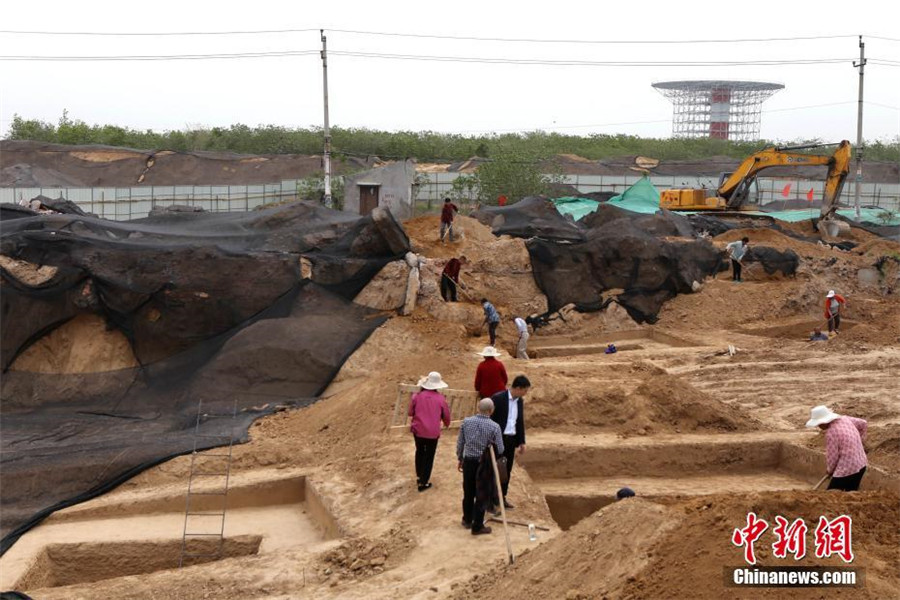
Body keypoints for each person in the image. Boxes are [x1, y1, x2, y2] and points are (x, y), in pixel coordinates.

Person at [457, 398, 505, 535]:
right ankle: (477, 526)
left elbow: (460, 443)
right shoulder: (494, 427)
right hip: (485, 464)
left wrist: (460, 458)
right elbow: (500, 449)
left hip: (469, 462)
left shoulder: (466, 422)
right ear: (491, 410)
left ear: (478, 408)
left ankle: (467, 520)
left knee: (468, 491)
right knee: (482, 494)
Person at [489, 375, 531, 511]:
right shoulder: (498, 398)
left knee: (506, 470)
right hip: (497, 440)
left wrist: (521, 441)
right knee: (494, 469)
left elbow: (520, 422)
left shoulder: (519, 401)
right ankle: (490, 500)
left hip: (511, 440)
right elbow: (490, 420)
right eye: (525, 390)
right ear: (518, 388)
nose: (525, 393)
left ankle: (502, 497)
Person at [805, 405, 868, 491]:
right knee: (850, 494)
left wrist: (830, 470)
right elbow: (863, 423)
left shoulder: (831, 433)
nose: (818, 426)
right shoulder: (845, 419)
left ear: (824, 422)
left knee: (831, 495)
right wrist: (860, 441)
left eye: (818, 424)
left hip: (847, 469)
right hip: (861, 464)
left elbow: (833, 457)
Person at [408, 372, 452, 492]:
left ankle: (419, 475)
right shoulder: (441, 399)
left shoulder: (416, 396)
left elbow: (410, 412)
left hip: (418, 430)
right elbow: (446, 415)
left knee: (420, 451)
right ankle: (423, 481)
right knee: (429, 455)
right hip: (433, 432)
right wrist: (447, 423)